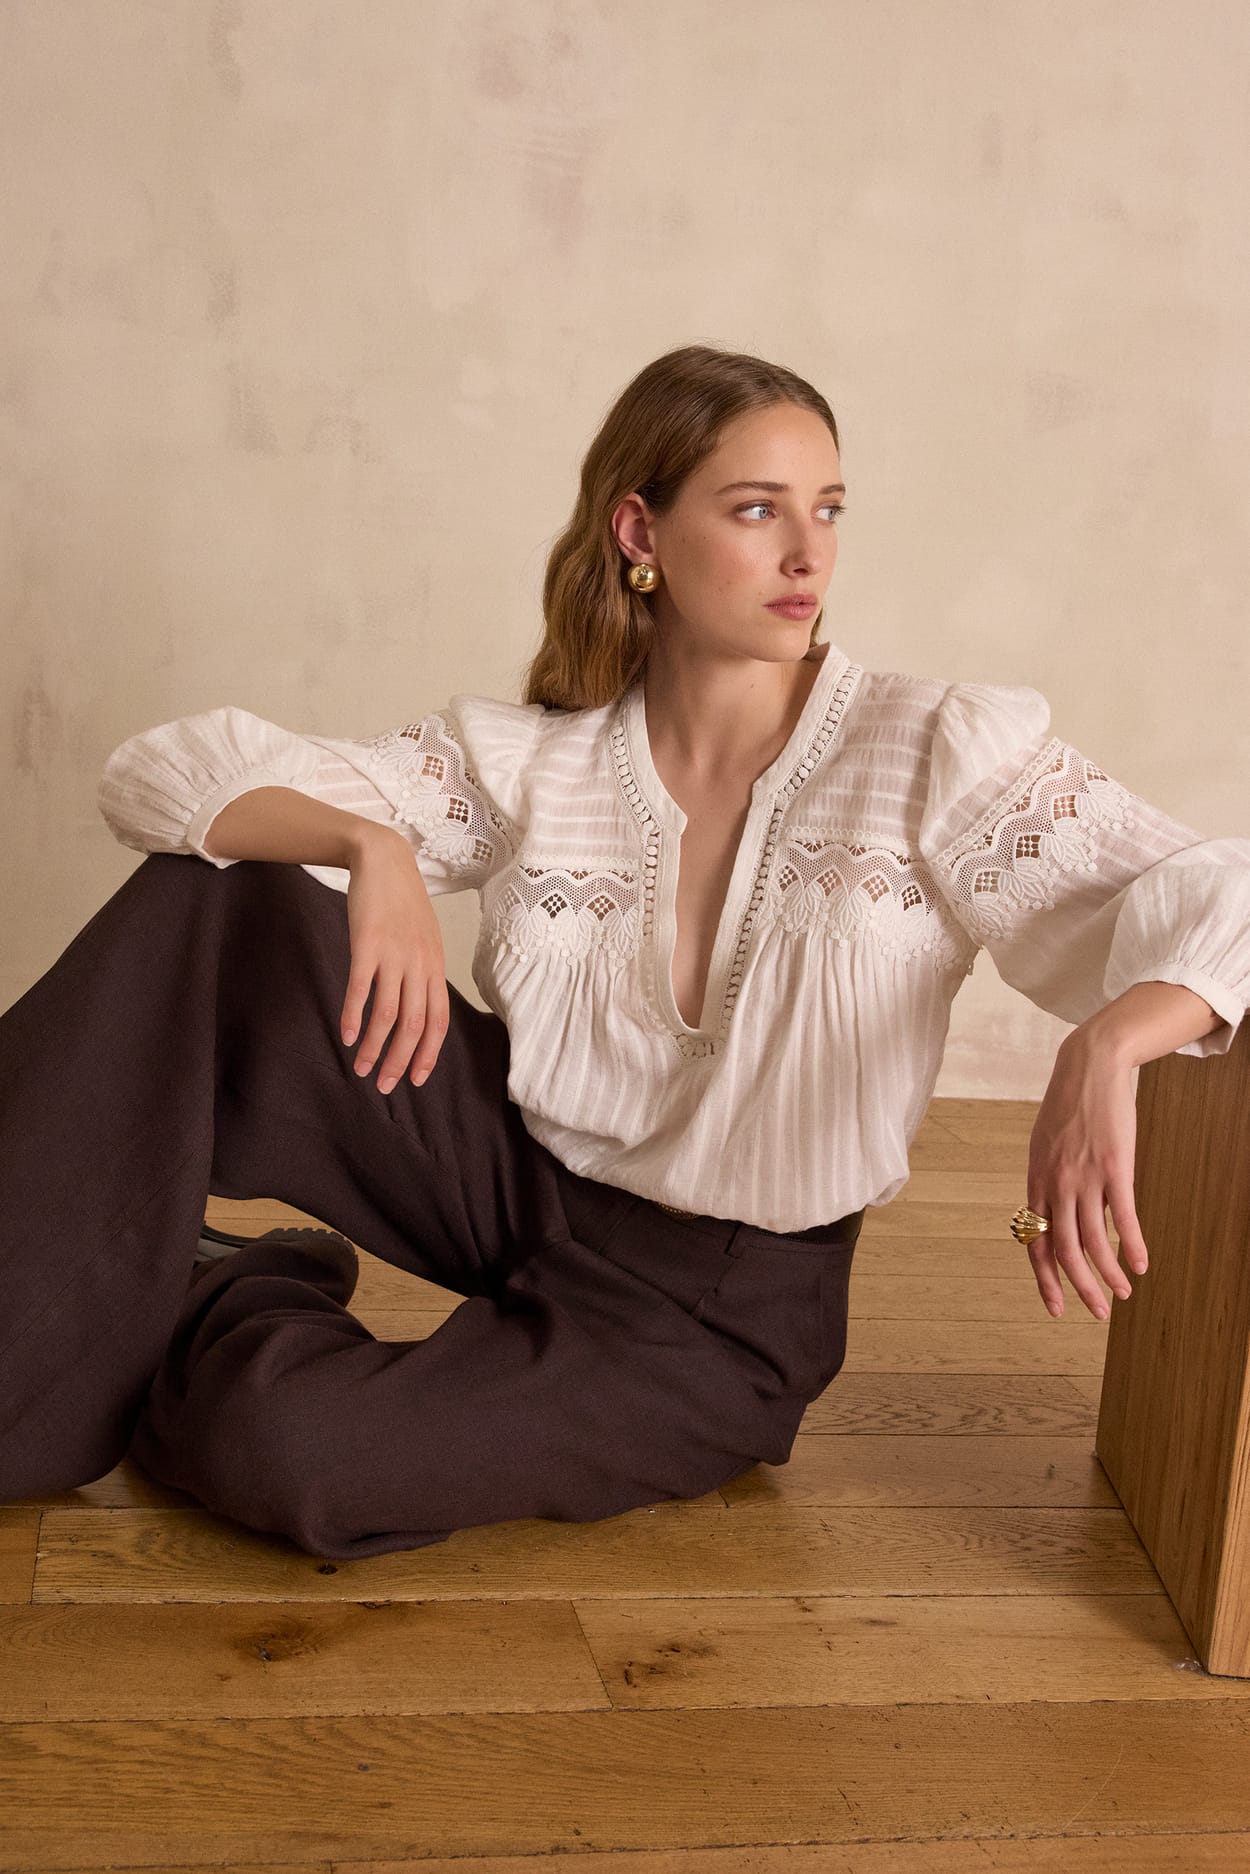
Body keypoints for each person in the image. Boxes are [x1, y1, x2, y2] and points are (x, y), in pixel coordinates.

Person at [2, 344, 1247, 1562]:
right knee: (214, 895)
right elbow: (158, 776)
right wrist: (364, 842)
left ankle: (222, 1286)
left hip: (714, 1313)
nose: (806, 553)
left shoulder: (930, 748)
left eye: (825, 508)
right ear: (639, 531)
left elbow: (1217, 888)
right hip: (516, 1182)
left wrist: (1106, 1040)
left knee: (292, 1455)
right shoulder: (539, 758)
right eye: (756, 509)